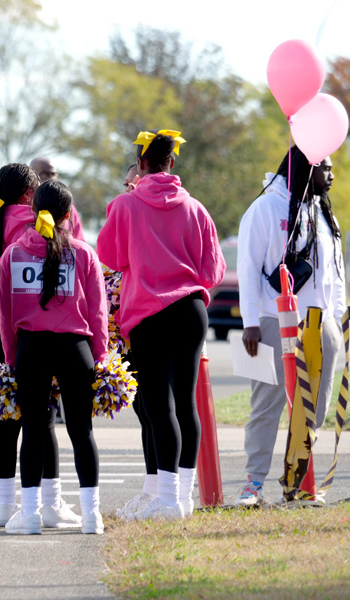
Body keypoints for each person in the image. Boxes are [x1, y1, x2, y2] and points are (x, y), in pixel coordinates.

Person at [98, 130, 225, 520]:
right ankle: (181, 497)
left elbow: (111, 257)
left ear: (141, 164)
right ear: (171, 162)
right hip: (190, 310)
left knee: (158, 406)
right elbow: (213, 271)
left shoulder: (125, 204)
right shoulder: (196, 208)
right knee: (186, 403)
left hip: (148, 312)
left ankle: (167, 498)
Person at [0, 180, 108, 535]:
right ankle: (91, 516)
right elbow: (98, 313)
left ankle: (30, 515)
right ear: (68, 214)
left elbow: (5, 315)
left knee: (32, 429)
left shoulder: (13, 254)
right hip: (75, 348)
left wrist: (12, 357)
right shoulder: (84, 253)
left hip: (32, 348)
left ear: (33, 211)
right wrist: (101, 357)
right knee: (81, 431)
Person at [236, 145, 344, 506]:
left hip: (320, 324)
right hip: (271, 321)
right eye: (324, 168)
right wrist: (250, 321)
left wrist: (339, 324)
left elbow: (336, 276)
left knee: (315, 408)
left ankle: (298, 484)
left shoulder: (322, 213)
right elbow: (248, 268)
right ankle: (253, 485)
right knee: (266, 406)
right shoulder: (265, 207)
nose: (331, 175)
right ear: (306, 168)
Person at [0, 163, 80, 529]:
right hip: (35, 329)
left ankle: (4, 506)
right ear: (27, 195)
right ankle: (49, 503)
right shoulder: (33, 224)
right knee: (42, 419)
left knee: (6, 417)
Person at [109, 163, 158, 521]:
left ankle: (166, 490)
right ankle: (152, 487)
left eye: (133, 183)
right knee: (144, 409)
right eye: (125, 184)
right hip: (129, 325)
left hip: (151, 317)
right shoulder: (126, 214)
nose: (128, 189)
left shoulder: (150, 218)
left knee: (158, 409)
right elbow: (110, 258)